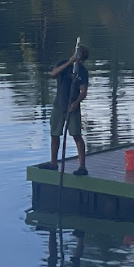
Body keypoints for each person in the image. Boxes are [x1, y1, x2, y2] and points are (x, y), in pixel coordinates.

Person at [49, 44, 89, 175]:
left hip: (73, 107)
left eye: (80, 58)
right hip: (59, 105)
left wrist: (76, 103)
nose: (78, 59)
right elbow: (53, 74)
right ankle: (53, 162)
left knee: (76, 134)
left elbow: (83, 91)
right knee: (55, 134)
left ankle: (82, 166)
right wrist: (69, 63)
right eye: (77, 56)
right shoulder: (63, 63)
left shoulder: (83, 71)